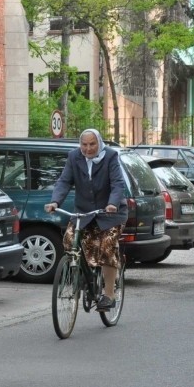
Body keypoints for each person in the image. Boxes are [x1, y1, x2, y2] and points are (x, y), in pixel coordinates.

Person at [44, 129, 128, 310]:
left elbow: (117, 183)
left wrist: (112, 203)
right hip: (84, 213)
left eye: (92, 144)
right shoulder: (74, 157)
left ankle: (109, 294)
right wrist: (55, 201)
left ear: (99, 143)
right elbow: (64, 181)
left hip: (109, 213)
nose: (88, 149)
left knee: (106, 246)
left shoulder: (110, 157)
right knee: (69, 240)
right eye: (84, 144)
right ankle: (84, 277)